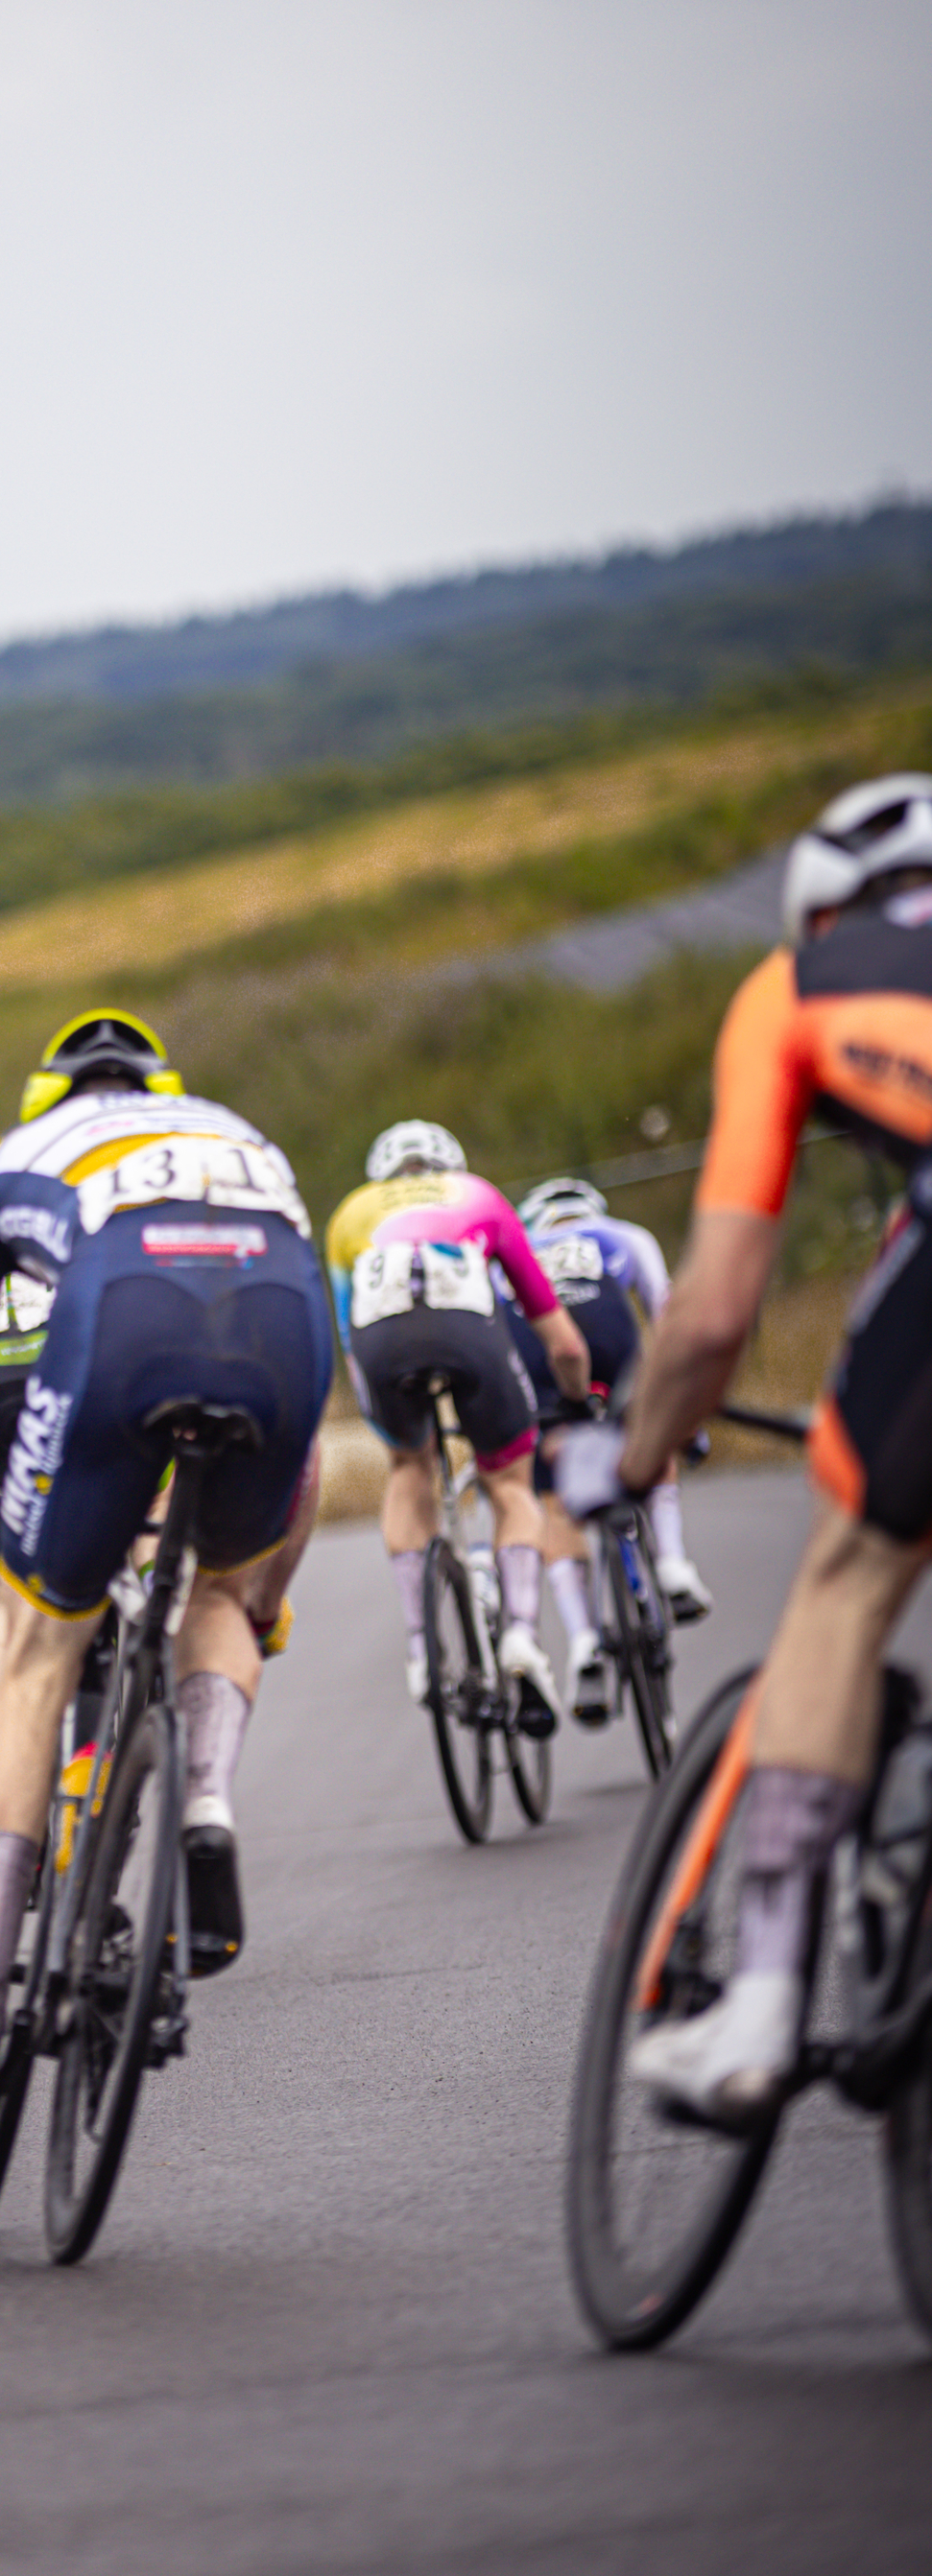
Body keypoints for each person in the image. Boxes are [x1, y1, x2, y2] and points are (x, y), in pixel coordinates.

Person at [558, 773, 932, 2126]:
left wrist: (642, 1460)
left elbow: (711, 1315)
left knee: (847, 1577)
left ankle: (762, 2004)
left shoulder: (800, 984)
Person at [0, 1008, 332, 2123]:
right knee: (214, 1596)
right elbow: (312, 1459)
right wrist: (259, 1604)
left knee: (35, 1657)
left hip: (115, 1335)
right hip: (276, 1328)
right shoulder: (245, 1137)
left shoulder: (8, 1158)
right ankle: (205, 1797)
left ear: (51, 1099)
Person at [324, 1122, 590, 1728]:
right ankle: (522, 1633)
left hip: (381, 1343)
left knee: (410, 1468)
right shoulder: (478, 1196)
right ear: (450, 1165)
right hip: (470, 1332)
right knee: (510, 1485)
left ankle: (422, 1648)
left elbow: (348, 1333)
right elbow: (562, 1341)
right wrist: (576, 1397)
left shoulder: (350, 1214)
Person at [503, 1176, 712, 1726]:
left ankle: (583, 1642)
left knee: (554, 1503)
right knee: (649, 1428)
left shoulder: (519, 1252)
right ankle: (671, 1564)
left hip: (541, 1347)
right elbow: (668, 1314)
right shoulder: (623, 1234)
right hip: (610, 1331)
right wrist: (684, 1417)